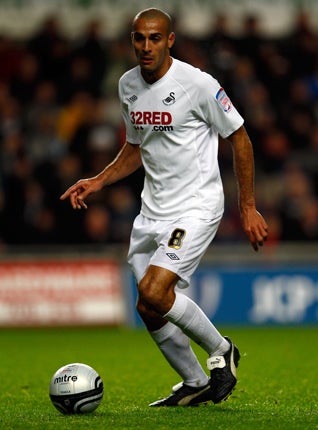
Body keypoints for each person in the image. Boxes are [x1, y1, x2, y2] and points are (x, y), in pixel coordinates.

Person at [60, 8, 268, 407]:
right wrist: (98, 180)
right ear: (132, 40)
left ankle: (223, 350)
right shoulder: (127, 86)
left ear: (170, 40)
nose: (146, 46)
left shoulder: (199, 84)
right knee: (147, 304)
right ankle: (193, 382)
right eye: (139, 38)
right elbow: (137, 146)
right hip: (151, 211)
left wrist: (248, 206)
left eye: (155, 38)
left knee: (156, 289)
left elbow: (239, 137)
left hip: (195, 206)